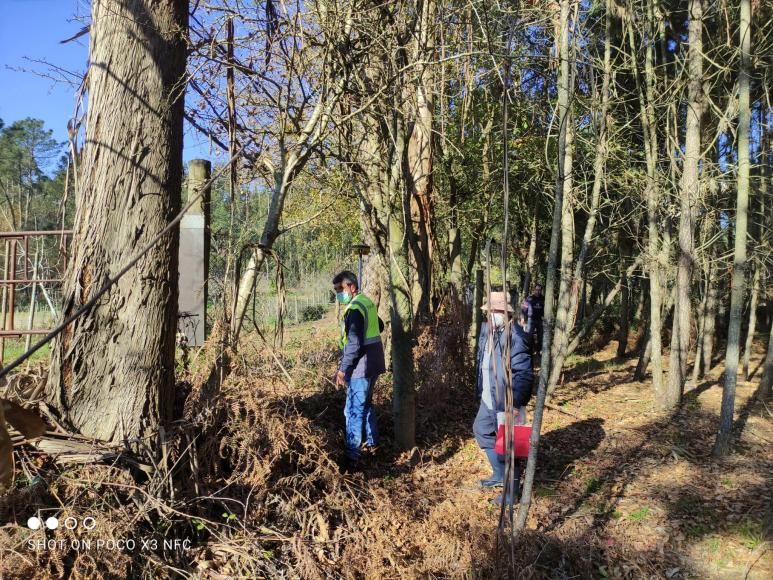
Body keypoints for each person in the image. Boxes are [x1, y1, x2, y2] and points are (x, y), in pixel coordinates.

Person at [473, 291, 533, 502]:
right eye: (488, 311)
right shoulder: (489, 332)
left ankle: (511, 493)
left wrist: (515, 404)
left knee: (510, 446)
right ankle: (499, 474)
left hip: (507, 401)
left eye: (493, 311)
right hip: (489, 397)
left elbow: (524, 374)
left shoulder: (514, 336)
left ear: (504, 313)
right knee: (481, 430)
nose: (489, 315)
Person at [332, 271, 386, 470]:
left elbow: (354, 344)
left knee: (354, 410)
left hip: (361, 368)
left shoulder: (354, 309)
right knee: (367, 405)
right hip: (374, 364)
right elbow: (378, 325)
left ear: (352, 287)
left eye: (341, 289)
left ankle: (352, 457)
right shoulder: (366, 302)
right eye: (336, 290)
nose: (338, 294)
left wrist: (343, 370)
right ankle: (373, 443)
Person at [523, 284, 544, 353]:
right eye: (536, 290)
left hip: (540, 320)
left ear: (541, 291)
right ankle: (529, 350)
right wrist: (524, 318)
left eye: (539, 290)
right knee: (529, 336)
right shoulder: (529, 298)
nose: (538, 291)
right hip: (531, 320)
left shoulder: (543, 298)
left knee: (540, 337)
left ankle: (539, 350)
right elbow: (524, 309)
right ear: (534, 290)